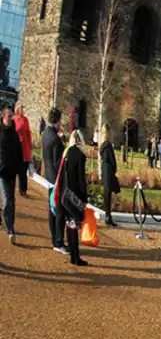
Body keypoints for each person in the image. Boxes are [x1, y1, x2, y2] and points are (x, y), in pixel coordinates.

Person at [56, 128, 90, 266]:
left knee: (70, 225)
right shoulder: (80, 156)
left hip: (65, 194)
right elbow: (81, 179)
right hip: (74, 194)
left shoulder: (68, 152)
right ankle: (76, 257)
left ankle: (73, 255)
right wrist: (84, 198)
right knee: (75, 224)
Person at [42, 108, 65, 252]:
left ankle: (54, 239)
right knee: (58, 210)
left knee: (52, 209)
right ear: (58, 120)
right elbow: (58, 163)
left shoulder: (45, 133)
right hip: (56, 178)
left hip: (48, 175)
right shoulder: (56, 139)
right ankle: (58, 242)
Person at [1, 107, 23, 242]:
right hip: (1, 169)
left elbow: (18, 151)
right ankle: (9, 227)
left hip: (11, 171)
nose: (11, 118)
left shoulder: (14, 133)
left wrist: (20, 167)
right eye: (9, 116)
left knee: (10, 200)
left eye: (12, 116)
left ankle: (10, 227)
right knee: (6, 199)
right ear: (3, 117)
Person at [99, 131, 120, 227]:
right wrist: (114, 167)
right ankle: (108, 216)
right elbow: (109, 158)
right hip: (108, 170)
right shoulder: (107, 145)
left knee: (108, 193)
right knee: (108, 193)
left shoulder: (104, 145)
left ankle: (108, 215)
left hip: (106, 170)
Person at [14, 106, 32, 197]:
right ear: (17, 110)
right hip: (16, 147)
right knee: (16, 169)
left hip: (25, 147)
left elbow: (28, 133)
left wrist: (30, 147)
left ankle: (23, 190)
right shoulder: (14, 120)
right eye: (21, 109)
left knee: (24, 170)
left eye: (23, 109)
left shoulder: (25, 120)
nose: (23, 110)